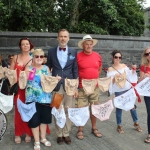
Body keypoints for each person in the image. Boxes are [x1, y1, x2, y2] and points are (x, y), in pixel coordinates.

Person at [47, 29, 78, 145]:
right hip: (56, 87)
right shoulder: (51, 51)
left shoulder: (73, 51)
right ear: (57, 38)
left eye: (65, 36)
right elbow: (47, 68)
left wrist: (76, 88)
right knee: (57, 110)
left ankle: (66, 133)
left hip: (70, 86)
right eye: (61, 36)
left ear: (68, 38)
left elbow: (75, 70)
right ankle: (59, 134)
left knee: (68, 110)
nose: (63, 38)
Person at [107, 50, 142, 134]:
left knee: (132, 106)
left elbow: (130, 75)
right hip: (118, 91)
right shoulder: (110, 69)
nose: (118, 59)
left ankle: (136, 123)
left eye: (119, 57)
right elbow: (108, 82)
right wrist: (114, 78)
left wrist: (133, 70)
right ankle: (119, 125)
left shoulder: (124, 66)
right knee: (119, 107)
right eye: (116, 57)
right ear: (113, 58)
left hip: (127, 89)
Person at [25, 49, 54, 150]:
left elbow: (50, 82)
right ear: (33, 57)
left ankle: (43, 138)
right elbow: (23, 83)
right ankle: (36, 141)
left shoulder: (46, 68)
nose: (39, 58)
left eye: (41, 56)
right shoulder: (28, 68)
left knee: (44, 120)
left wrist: (55, 80)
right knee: (34, 120)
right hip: (32, 99)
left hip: (45, 98)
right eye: (36, 56)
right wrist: (24, 75)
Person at [76, 35, 102, 140]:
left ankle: (94, 128)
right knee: (81, 109)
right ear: (83, 45)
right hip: (82, 87)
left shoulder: (97, 56)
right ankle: (80, 129)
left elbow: (99, 69)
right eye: (87, 44)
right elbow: (75, 71)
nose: (89, 46)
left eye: (90, 44)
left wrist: (94, 78)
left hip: (94, 87)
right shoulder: (78, 56)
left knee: (94, 108)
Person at [10, 38, 34, 143]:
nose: (25, 46)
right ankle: (18, 133)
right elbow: (11, 73)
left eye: (27, 44)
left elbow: (36, 73)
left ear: (30, 45)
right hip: (18, 88)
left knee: (29, 110)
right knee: (19, 111)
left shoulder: (33, 58)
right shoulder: (16, 57)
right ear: (20, 46)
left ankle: (29, 132)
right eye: (23, 44)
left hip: (29, 89)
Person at [139, 47, 150, 143]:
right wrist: (144, 77)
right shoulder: (144, 66)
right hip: (148, 94)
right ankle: (149, 134)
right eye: (147, 54)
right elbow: (140, 82)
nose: (149, 55)